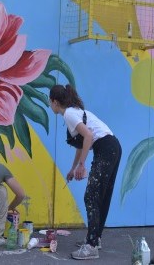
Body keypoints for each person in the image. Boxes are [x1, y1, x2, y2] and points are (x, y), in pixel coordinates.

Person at [49, 84, 122, 260]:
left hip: (106, 148)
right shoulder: (74, 111)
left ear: (55, 102)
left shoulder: (69, 114)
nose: (50, 105)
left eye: (49, 102)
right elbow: (82, 145)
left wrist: (82, 166)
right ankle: (95, 239)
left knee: (91, 196)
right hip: (112, 147)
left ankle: (91, 246)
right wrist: (73, 169)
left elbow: (88, 136)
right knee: (100, 196)